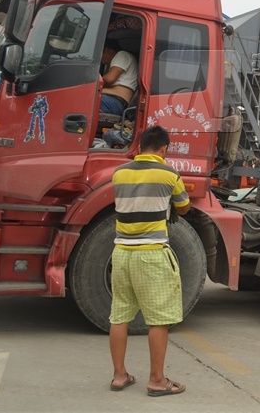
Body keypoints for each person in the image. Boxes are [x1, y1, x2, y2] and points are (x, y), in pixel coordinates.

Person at [109, 126, 190, 397]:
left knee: (119, 316)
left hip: (121, 252)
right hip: (152, 254)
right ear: (164, 149)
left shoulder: (119, 173)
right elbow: (184, 207)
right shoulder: (169, 174)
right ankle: (157, 380)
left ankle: (119, 376)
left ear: (140, 146)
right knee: (158, 320)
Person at [100, 41, 138, 116]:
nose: (102, 61)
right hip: (116, 102)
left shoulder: (122, 54)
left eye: (101, 55)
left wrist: (92, 84)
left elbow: (109, 79)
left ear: (107, 50)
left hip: (114, 101)